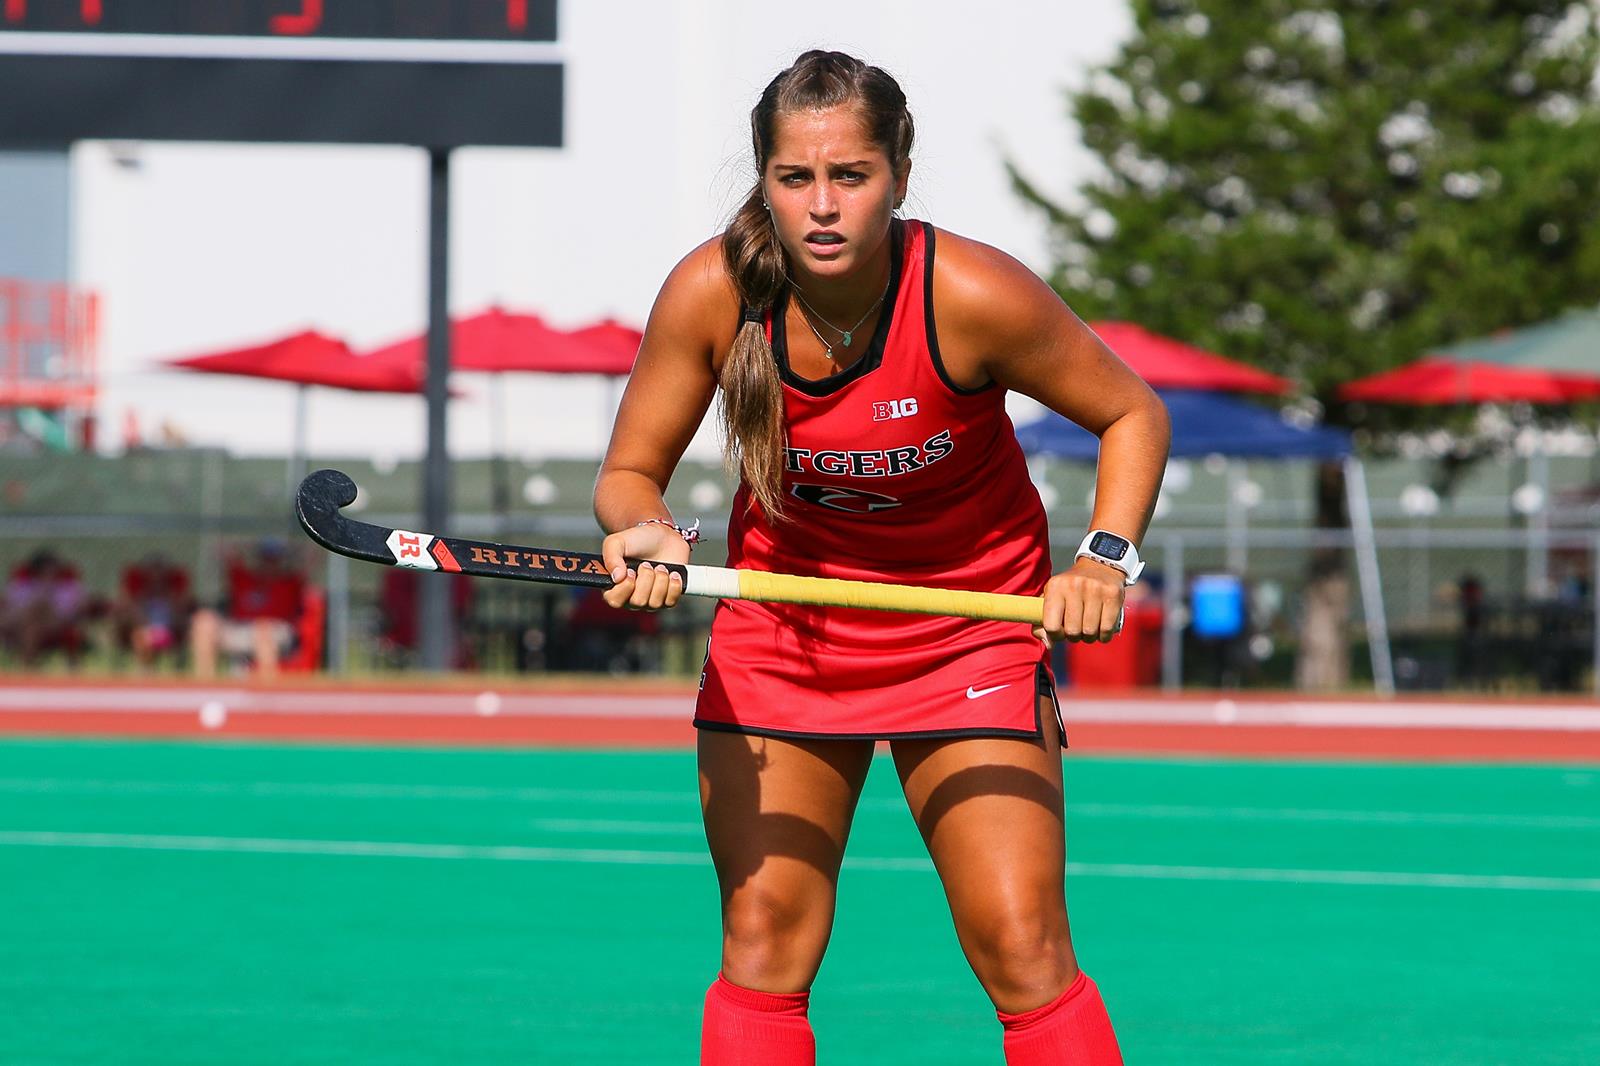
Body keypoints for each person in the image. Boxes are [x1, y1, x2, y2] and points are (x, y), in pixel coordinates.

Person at [594, 51, 1169, 1066]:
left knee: (1023, 946)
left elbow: (1131, 410)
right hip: (783, 639)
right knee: (764, 943)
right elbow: (631, 474)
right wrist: (644, 530)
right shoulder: (711, 293)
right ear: (764, 180)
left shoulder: (972, 292)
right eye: (795, 178)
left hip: (970, 637)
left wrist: (1102, 558)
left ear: (898, 175)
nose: (821, 206)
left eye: (849, 177)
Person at [189, 538, 307, 677]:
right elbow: (220, 546)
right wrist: (251, 546)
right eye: (265, 559)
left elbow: (315, 553)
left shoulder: (290, 582)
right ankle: (205, 686)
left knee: (263, 629)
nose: (268, 564)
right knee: (204, 621)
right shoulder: (244, 579)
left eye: (273, 560)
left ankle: (268, 689)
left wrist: (289, 549)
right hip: (241, 629)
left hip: (276, 631)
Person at [1, 549, 91, 667]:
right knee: (32, 626)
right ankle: (28, 664)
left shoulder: (67, 586)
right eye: (45, 569)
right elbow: (12, 606)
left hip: (58, 623)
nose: (50, 573)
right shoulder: (24, 585)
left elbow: (78, 607)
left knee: (36, 618)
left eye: (53, 569)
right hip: (25, 625)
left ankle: (28, 664)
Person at [113, 553, 194, 669]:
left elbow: (181, 613)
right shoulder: (141, 598)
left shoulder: (172, 596)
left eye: (160, 570)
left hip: (168, 632)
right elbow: (127, 607)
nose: (156, 575)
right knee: (140, 635)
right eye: (152, 571)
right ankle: (146, 669)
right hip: (145, 631)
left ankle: (177, 665)